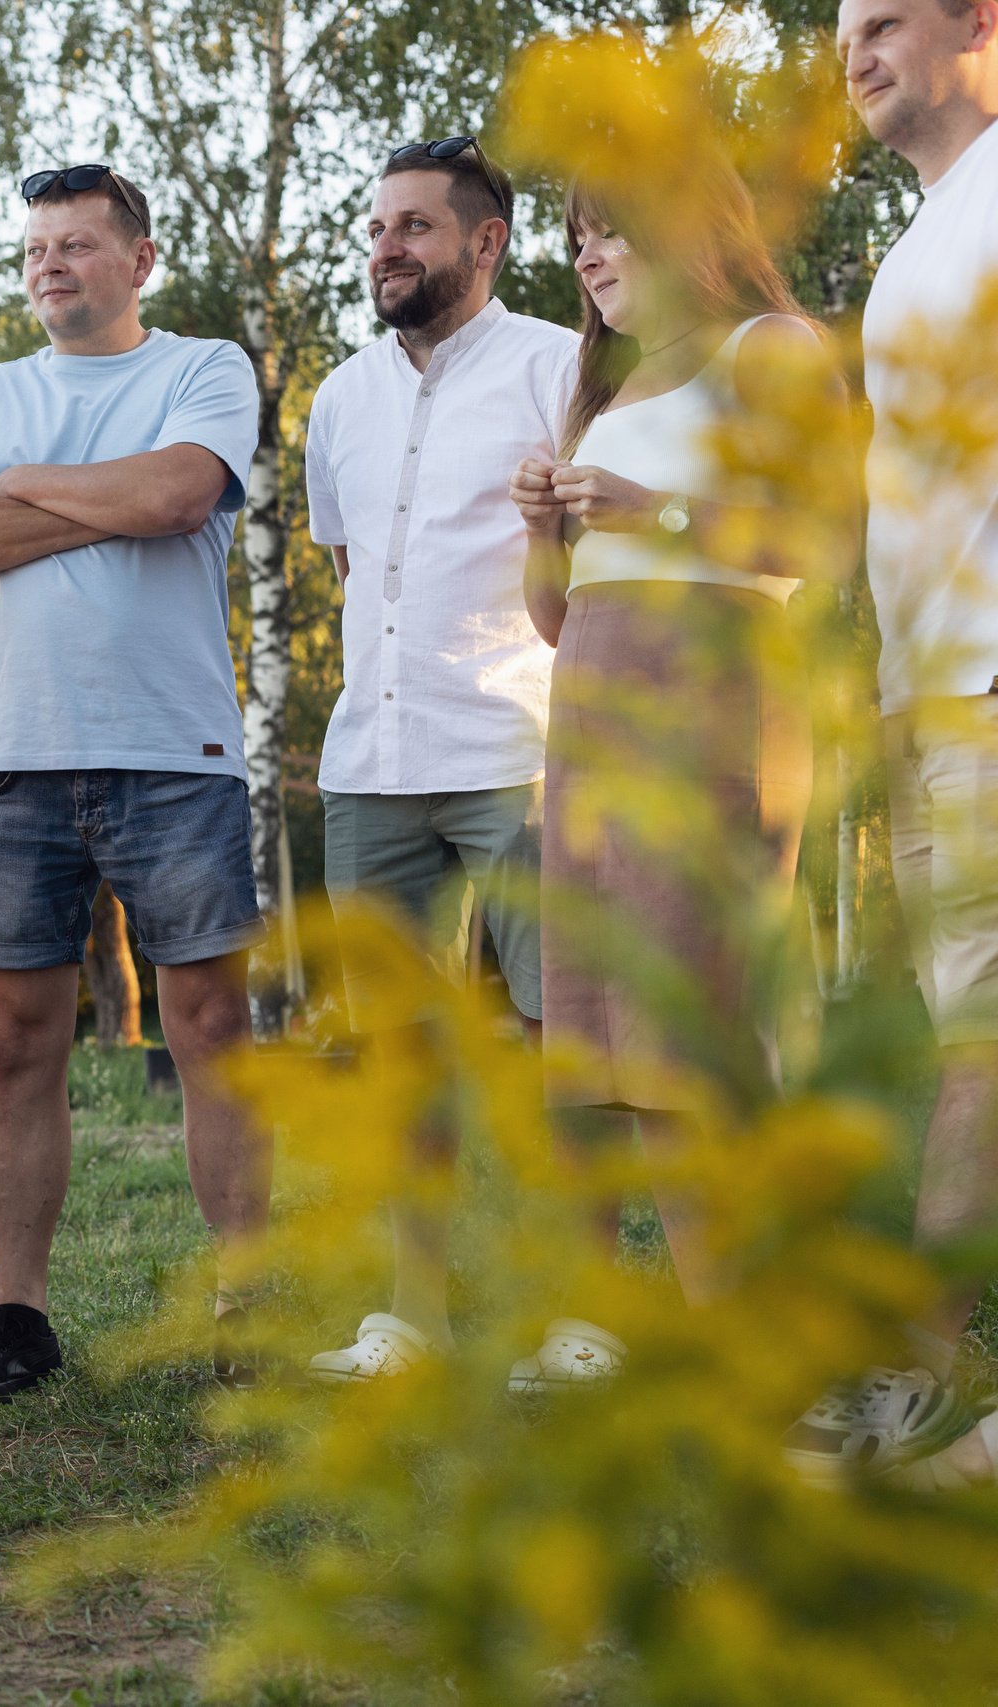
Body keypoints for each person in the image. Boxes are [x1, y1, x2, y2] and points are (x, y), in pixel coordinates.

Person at [0, 164, 267, 1404]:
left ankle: (244, 1301)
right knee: (21, 1045)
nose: (49, 265)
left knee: (212, 1030)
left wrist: (27, 488)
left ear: (139, 261)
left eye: (75, 245)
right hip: (15, 753)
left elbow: (180, 495)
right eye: (35, 250)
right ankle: (17, 1319)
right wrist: (111, 507)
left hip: (174, 749)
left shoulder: (205, 368)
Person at [509, 164, 853, 1379]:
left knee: (694, 1030)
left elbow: (827, 539)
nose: (591, 260)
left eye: (615, 233)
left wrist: (657, 513)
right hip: (593, 708)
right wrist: (542, 530)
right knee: (616, 1042)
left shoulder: (768, 346)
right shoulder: (594, 392)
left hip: (710, 704)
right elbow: (552, 619)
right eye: (580, 240)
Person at [301, 140, 577, 1384]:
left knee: (553, 1040)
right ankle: (413, 1318)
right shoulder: (339, 396)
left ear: (485, 241)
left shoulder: (558, 368)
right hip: (373, 763)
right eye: (377, 227)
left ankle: (573, 1317)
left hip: (517, 748)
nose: (386, 248)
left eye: (414, 225)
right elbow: (354, 571)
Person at [787, 0, 998, 1490]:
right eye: (843, 31)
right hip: (931, 698)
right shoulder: (928, 232)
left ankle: (919, 1378)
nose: (853, 52)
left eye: (885, 23)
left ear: (981, 22)